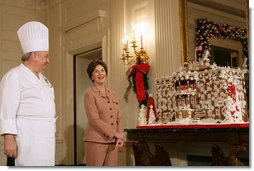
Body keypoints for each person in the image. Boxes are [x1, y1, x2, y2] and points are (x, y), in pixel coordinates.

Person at [0, 21, 56, 166]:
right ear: (34, 55)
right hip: (27, 139)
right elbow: (7, 110)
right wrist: (8, 138)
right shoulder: (14, 76)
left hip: (46, 140)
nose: (48, 61)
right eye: (46, 56)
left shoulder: (45, 80)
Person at [84, 59, 124, 166]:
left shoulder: (113, 94)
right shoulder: (89, 94)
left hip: (112, 142)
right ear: (91, 76)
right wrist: (114, 133)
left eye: (102, 70)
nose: (100, 73)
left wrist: (119, 136)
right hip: (96, 141)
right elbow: (94, 119)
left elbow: (119, 117)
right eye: (96, 71)